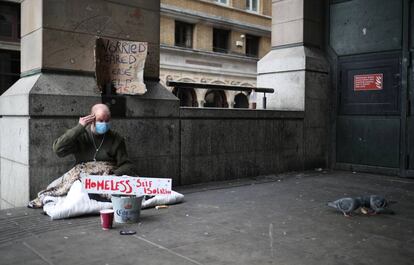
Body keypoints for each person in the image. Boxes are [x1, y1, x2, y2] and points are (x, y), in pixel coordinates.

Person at [53, 103, 136, 176]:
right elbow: (58, 149)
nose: (104, 124)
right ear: (92, 119)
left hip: (107, 178)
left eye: (107, 121)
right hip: (83, 177)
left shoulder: (116, 138)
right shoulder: (81, 135)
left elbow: (126, 164)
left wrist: (114, 175)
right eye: (100, 120)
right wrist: (79, 127)